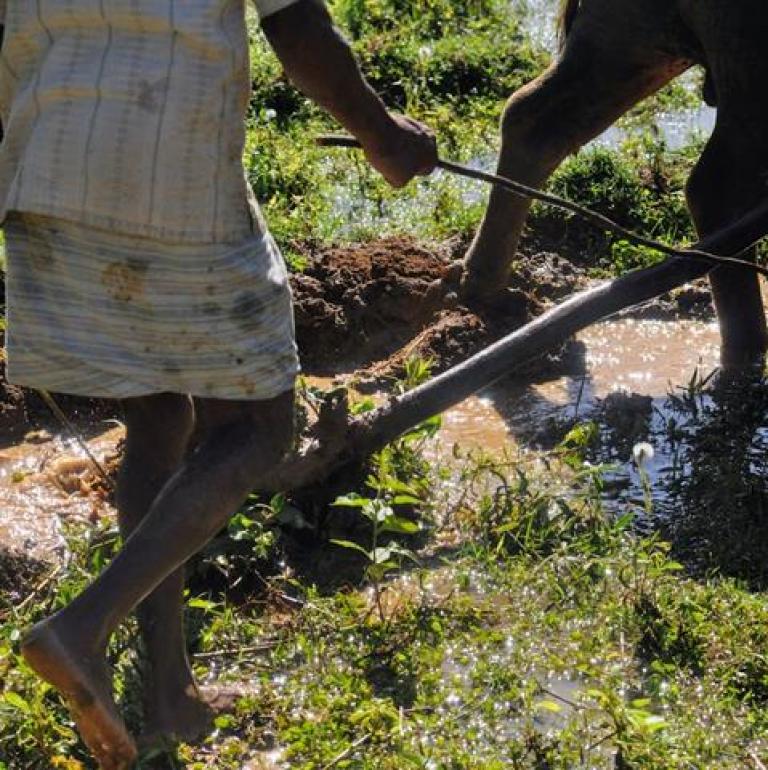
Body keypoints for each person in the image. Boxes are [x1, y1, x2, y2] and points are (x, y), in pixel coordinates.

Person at [2, 0, 437, 766]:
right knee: (258, 427)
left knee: (157, 415)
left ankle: (167, 688)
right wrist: (383, 134)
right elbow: (299, 30)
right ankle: (83, 626)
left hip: (45, 159)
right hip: (168, 169)